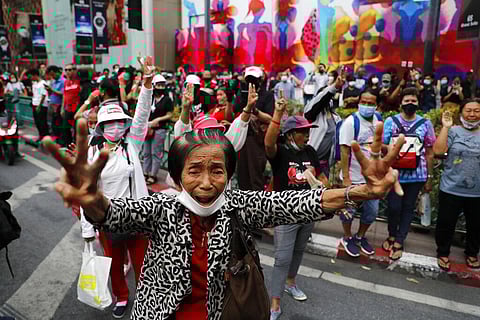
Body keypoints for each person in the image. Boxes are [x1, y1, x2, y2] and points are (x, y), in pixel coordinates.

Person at [43, 104, 405, 319]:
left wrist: (361, 191)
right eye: (194, 170)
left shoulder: (239, 206)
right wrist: (90, 198)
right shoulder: (161, 207)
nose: (205, 182)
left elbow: (297, 202)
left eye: (216, 170)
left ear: (228, 175)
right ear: (179, 176)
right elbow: (115, 214)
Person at [71, 57, 156, 318]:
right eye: (110, 123)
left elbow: (142, 115)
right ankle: (122, 296)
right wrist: (88, 229)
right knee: (114, 264)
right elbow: (87, 194)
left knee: (143, 263)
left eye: (120, 121)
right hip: (109, 221)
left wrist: (147, 84)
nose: (116, 126)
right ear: (102, 127)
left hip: (137, 216)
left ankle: (145, 298)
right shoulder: (93, 153)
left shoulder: (132, 145)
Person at [264, 99, 322, 319]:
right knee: (282, 257)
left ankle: (291, 283)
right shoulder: (280, 153)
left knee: (298, 251)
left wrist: (321, 183)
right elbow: (268, 144)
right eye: (302, 132)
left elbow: (321, 174)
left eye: (308, 131)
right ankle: (275, 303)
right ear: (290, 135)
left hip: (309, 211)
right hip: (285, 213)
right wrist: (277, 114)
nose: (307, 136)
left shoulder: (310, 152)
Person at [382, 88, 436, 261]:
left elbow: (429, 151)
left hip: (417, 175)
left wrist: (429, 177)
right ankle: (391, 233)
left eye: (413, 101)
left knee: (407, 208)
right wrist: (391, 150)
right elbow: (382, 146)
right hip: (394, 173)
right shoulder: (390, 121)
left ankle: (399, 240)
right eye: (407, 101)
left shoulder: (425, 124)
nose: (410, 104)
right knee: (393, 207)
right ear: (401, 103)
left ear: (418, 103)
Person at [433, 99, 480, 271]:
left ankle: (472, 253)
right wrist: (445, 127)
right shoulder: (453, 131)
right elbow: (438, 151)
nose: (472, 114)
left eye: (476, 111)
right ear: (461, 113)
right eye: (468, 111)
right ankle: (443, 253)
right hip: (451, 187)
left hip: (477, 192)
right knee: (446, 223)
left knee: (476, 225)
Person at [338, 89, 382, 257]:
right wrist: (346, 178)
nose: (367, 106)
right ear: (359, 102)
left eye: (371, 103)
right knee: (349, 211)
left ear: (376, 105)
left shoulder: (378, 120)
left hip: (372, 179)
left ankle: (360, 236)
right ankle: (347, 237)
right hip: (353, 177)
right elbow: (344, 151)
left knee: (372, 211)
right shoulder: (350, 123)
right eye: (364, 102)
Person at [304, 73, 343, 179]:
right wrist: (333, 87)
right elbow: (321, 100)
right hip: (309, 163)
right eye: (326, 95)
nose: (328, 99)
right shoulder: (313, 114)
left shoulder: (337, 118)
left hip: (325, 165)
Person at [143, 74, 173, 185]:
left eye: (162, 85)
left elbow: (170, 114)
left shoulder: (167, 99)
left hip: (160, 129)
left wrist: (158, 120)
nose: (160, 87)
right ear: (154, 85)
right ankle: (145, 172)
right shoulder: (149, 98)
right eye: (158, 85)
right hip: (147, 128)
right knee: (146, 152)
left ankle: (153, 174)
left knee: (156, 153)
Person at [62, 64, 81, 146]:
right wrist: (62, 108)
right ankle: (68, 146)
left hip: (77, 110)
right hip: (67, 109)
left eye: (70, 70)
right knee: (65, 128)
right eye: (66, 70)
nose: (68, 72)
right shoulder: (65, 82)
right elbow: (64, 95)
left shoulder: (79, 81)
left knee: (77, 130)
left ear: (75, 71)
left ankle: (77, 146)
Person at [45, 66, 64, 144]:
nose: (52, 76)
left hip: (59, 106)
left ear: (56, 72)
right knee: (54, 126)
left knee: (59, 126)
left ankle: (61, 143)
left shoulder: (63, 81)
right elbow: (52, 94)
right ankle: (57, 142)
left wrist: (51, 89)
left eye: (53, 74)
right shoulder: (53, 82)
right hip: (53, 106)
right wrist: (49, 90)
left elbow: (63, 94)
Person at [29, 69, 49, 141]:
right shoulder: (34, 83)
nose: (30, 78)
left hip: (41, 105)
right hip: (35, 104)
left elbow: (43, 95)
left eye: (31, 76)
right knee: (37, 122)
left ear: (35, 75)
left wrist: (39, 106)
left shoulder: (42, 83)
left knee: (42, 122)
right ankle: (41, 136)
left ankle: (45, 137)